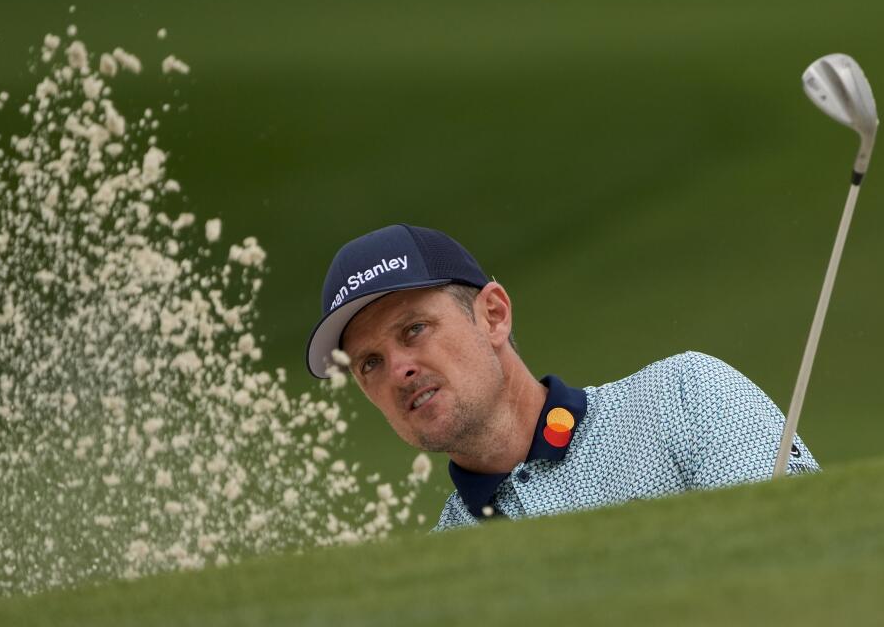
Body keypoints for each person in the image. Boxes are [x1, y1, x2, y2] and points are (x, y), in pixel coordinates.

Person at [305, 224, 819, 530]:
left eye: (415, 329)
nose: (399, 369)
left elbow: (805, 546)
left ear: (493, 315)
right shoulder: (446, 557)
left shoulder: (684, 396)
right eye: (369, 363)